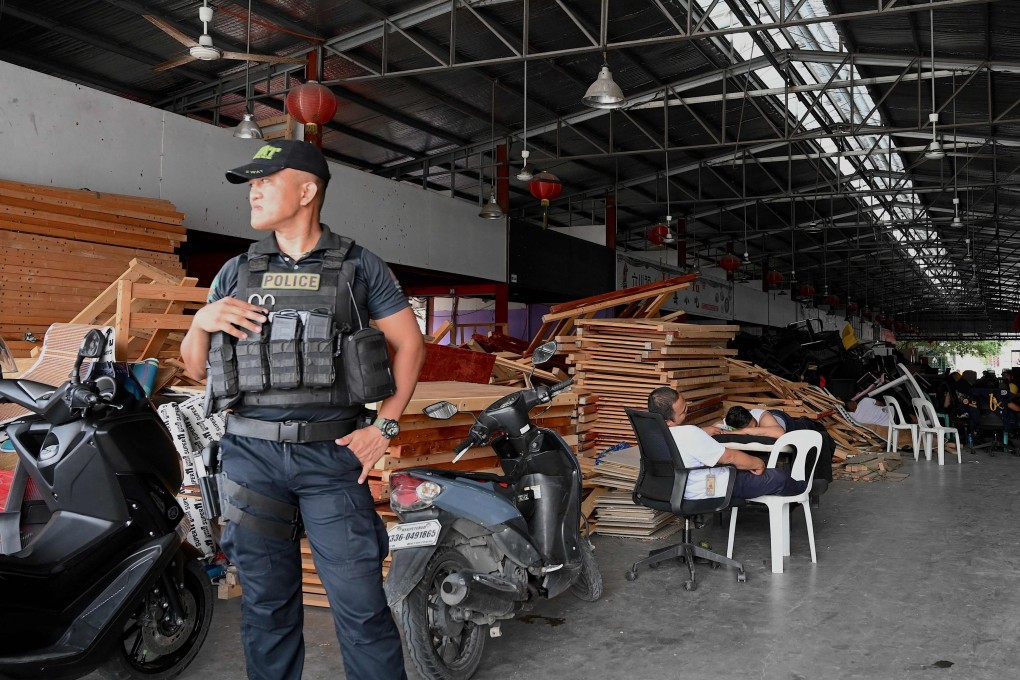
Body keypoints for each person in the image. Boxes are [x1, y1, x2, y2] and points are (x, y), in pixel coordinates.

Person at [181, 140, 425, 680]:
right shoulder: (236, 270)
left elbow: (410, 344)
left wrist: (384, 426)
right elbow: (196, 369)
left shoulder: (361, 267)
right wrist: (200, 322)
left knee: (360, 608)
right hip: (251, 458)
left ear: (308, 190)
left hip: (332, 457)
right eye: (252, 183)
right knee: (266, 609)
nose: (256, 190)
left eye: (268, 180)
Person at [646, 387, 807, 499]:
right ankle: (804, 490)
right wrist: (758, 464)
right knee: (779, 476)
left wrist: (701, 431)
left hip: (675, 489)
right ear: (668, 420)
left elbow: (684, 442)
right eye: (684, 410)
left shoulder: (652, 433)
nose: (688, 410)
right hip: (712, 488)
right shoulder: (689, 433)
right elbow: (729, 458)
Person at [714, 405, 834, 483]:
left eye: (754, 424)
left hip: (792, 424)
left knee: (817, 432)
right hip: (771, 423)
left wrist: (746, 431)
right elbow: (707, 431)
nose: (753, 428)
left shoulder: (761, 416)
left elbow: (779, 432)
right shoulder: (726, 424)